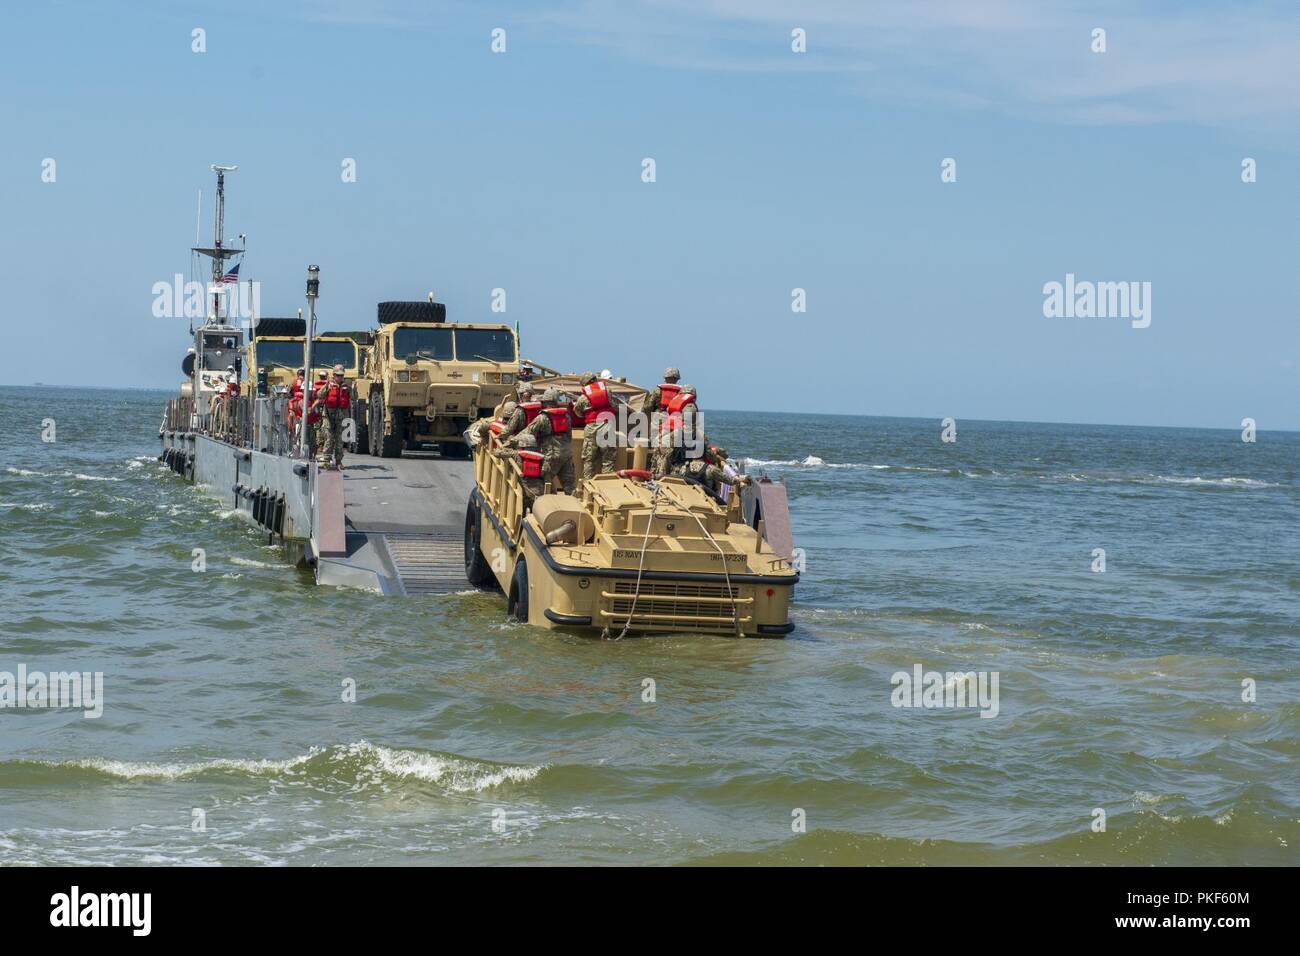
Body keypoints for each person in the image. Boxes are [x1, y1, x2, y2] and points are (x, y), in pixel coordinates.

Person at [510, 387, 576, 495]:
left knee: (545, 485)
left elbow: (527, 432)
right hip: (567, 455)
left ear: (545, 402)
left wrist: (510, 442)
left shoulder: (542, 418)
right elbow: (569, 436)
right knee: (570, 487)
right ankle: (574, 506)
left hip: (551, 456)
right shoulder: (566, 416)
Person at [571, 371, 618, 479]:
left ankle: (587, 485)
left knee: (589, 459)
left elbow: (577, 412)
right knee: (608, 459)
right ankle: (607, 485)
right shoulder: (607, 390)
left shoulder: (583, 398)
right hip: (607, 425)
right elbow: (613, 405)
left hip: (592, 427)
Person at [653, 383, 698, 478]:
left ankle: (657, 475)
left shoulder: (674, 402)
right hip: (675, 437)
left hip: (663, 434)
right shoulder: (690, 406)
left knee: (659, 459)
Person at [492, 431, 546, 507]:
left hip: (523, 490)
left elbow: (496, 453)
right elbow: (546, 473)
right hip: (539, 492)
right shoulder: (542, 458)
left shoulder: (516, 454)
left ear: (521, 445)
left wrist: (506, 446)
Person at [312, 364, 350, 470]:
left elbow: (353, 397)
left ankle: (338, 461)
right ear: (334, 375)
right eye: (338, 375)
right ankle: (326, 460)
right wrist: (326, 386)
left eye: (341, 376)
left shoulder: (347, 386)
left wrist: (352, 389)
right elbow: (319, 395)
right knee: (328, 438)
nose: (340, 377)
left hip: (341, 417)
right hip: (328, 416)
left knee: (339, 440)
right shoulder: (329, 385)